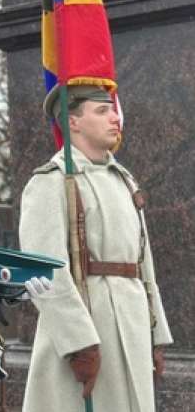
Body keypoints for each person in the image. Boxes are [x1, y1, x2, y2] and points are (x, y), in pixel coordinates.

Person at [19, 85, 172, 412]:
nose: (115, 118)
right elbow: (47, 272)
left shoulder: (124, 179)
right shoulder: (52, 181)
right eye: (101, 111)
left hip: (132, 322)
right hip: (88, 326)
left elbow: (145, 264)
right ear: (73, 121)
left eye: (113, 110)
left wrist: (156, 335)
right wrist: (78, 344)